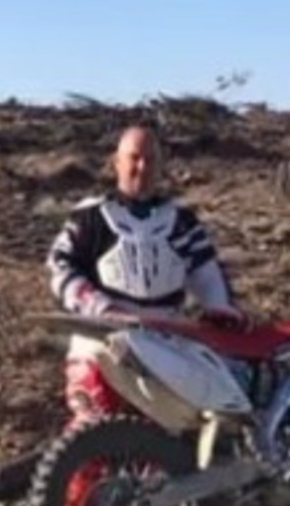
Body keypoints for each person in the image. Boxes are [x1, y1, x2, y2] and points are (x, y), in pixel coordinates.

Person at [46, 124, 250, 424]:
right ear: (117, 162)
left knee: (193, 428)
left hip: (166, 343)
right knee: (93, 432)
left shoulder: (182, 221)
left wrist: (219, 309)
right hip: (102, 337)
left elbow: (206, 272)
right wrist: (101, 307)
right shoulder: (90, 217)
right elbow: (60, 266)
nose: (142, 167)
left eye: (150, 160)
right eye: (134, 158)